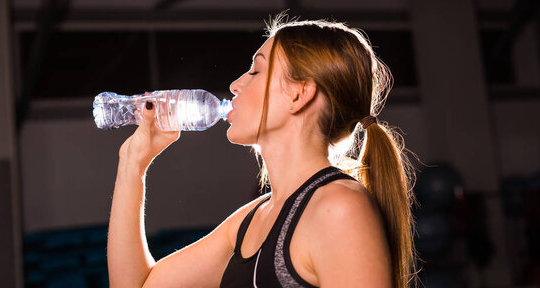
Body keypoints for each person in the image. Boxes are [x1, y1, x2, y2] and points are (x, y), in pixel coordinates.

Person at [107, 15, 419, 288]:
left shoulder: (338, 209)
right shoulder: (252, 219)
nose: (235, 85)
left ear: (298, 95)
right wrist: (132, 163)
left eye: (255, 72)